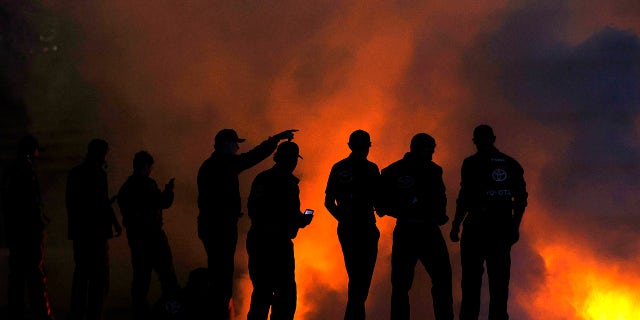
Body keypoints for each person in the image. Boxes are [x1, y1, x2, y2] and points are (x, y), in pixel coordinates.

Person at [196, 128, 298, 319]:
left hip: (215, 226)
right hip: (221, 227)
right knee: (222, 279)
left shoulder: (209, 165)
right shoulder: (222, 164)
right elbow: (251, 158)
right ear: (226, 144)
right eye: (235, 144)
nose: (237, 148)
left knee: (226, 278)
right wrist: (274, 139)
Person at [449, 124, 528, 320]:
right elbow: (520, 200)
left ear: (491, 139)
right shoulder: (509, 164)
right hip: (493, 228)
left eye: (481, 140)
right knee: (493, 283)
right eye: (479, 140)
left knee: (476, 283)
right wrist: (514, 227)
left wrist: (456, 224)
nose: (480, 144)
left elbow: (464, 198)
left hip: (483, 228)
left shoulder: (475, 163)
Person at [378, 133, 454, 320]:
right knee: (434, 280)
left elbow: (441, 198)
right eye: (430, 148)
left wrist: (438, 214)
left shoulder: (397, 170)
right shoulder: (397, 171)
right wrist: (405, 209)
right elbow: (380, 203)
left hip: (415, 229)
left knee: (404, 285)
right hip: (418, 230)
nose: (433, 152)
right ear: (419, 148)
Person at [245, 141, 313, 320]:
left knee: (261, 293)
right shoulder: (287, 183)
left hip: (259, 241)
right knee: (284, 295)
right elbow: (286, 212)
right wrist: (302, 220)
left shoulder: (262, 178)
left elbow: (253, 208)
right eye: (293, 159)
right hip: (276, 244)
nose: (294, 163)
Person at [324, 130, 381, 320]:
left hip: (361, 226)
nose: (364, 150)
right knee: (359, 278)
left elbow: (329, 202)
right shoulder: (351, 168)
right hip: (357, 227)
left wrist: (343, 218)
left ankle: (354, 315)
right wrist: (345, 219)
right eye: (362, 146)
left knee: (359, 278)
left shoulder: (368, 169)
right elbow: (329, 201)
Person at [117, 151, 180, 320]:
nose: (151, 170)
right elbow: (163, 202)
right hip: (153, 238)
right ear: (146, 166)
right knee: (168, 277)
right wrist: (169, 190)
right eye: (150, 167)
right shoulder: (147, 184)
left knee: (140, 280)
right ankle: (171, 313)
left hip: (136, 239)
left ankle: (140, 314)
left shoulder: (126, 188)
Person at [66, 138, 122, 320]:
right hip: (96, 234)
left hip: (80, 233)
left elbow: (72, 203)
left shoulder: (75, 173)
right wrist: (114, 222)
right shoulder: (98, 174)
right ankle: (94, 314)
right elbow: (102, 202)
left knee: (81, 274)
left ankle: (77, 313)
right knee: (99, 278)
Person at [1, 135, 54, 320]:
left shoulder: (11, 171)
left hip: (16, 235)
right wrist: (39, 227)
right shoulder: (26, 171)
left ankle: (15, 314)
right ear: (31, 151)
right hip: (28, 236)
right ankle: (43, 315)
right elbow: (30, 205)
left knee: (16, 278)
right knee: (36, 279)